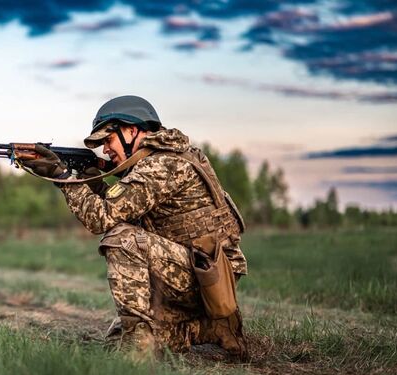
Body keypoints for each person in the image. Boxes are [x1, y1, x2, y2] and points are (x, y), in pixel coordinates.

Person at [20, 95, 248, 360]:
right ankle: (213, 329)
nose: (105, 150)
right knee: (116, 337)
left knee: (122, 239)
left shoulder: (162, 165)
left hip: (209, 279)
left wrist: (62, 177)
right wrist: (89, 179)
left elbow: (102, 218)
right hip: (200, 271)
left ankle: (139, 347)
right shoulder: (165, 157)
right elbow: (119, 207)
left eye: (108, 140)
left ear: (131, 130)